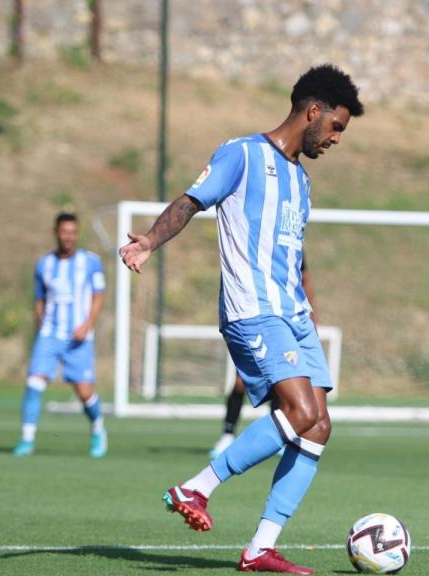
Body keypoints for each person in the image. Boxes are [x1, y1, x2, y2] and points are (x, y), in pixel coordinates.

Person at [119, 64, 363, 574]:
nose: (337, 138)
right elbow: (190, 203)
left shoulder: (302, 180)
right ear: (313, 111)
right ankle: (196, 487)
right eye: (337, 126)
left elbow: (293, 256)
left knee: (318, 427)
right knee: (298, 414)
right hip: (253, 310)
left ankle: (260, 548)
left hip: (293, 314)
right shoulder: (242, 154)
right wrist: (148, 241)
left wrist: (309, 314)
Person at [13, 212, 108, 458]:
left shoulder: (90, 262)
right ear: (56, 232)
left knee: (84, 392)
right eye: (65, 232)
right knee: (34, 383)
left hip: (79, 336)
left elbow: (98, 295)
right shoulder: (44, 264)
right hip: (50, 334)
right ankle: (26, 439)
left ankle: (98, 429)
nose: (69, 237)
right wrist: (39, 330)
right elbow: (39, 299)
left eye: (73, 232)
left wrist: (88, 324)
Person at [210, 260, 316, 460]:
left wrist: (311, 316)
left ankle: (280, 437)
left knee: (282, 381)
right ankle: (227, 434)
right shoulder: (251, 244)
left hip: (286, 321)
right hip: (256, 319)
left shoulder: (291, 244)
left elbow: (305, 280)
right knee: (240, 381)